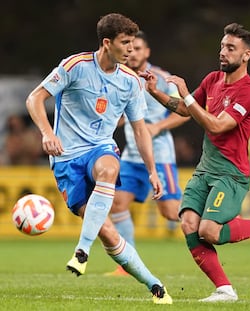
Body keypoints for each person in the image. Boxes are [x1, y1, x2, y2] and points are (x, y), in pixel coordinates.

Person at [25, 13, 172, 304]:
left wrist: (152, 170)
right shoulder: (75, 66)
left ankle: (82, 250)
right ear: (107, 43)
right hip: (66, 159)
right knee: (107, 230)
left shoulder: (131, 81)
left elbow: (140, 130)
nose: (131, 49)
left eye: (133, 43)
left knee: (108, 167)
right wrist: (46, 133)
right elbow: (35, 98)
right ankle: (155, 285)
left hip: (100, 148)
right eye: (125, 43)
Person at [140, 22, 250, 302]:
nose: (223, 52)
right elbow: (187, 109)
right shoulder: (212, 80)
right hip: (205, 169)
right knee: (187, 223)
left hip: (231, 173)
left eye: (231, 48)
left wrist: (184, 91)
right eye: (222, 46)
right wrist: (156, 92)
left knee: (209, 231)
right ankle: (225, 289)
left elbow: (217, 125)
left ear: (246, 56)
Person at [107, 31, 190, 276]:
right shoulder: (120, 76)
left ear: (147, 52)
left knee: (170, 211)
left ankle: (212, 215)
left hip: (160, 154)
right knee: (118, 202)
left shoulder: (162, 79)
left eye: (139, 48)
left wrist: (158, 126)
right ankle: (128, 263)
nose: (133, 53)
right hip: (133, 155)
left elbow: (185, 113)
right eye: (130, 48)